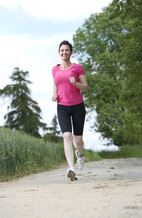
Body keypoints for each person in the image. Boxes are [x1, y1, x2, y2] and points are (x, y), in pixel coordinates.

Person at [52, 40, 88, 181]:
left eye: (67, 50)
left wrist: (76, 83)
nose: (64, 53)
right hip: (62, 107)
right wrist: (54, 94)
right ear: (59, 52)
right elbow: (55, 84)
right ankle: (71, 168)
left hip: (78, 106)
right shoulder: (55, 69)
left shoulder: (78, 68)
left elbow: (85, 87)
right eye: (62, 50)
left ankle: (80, 154)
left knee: (77, 139)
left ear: (71, 52)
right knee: (66, 136)